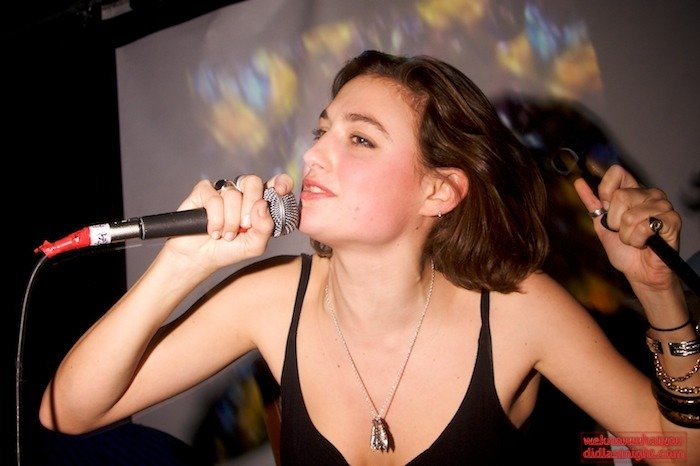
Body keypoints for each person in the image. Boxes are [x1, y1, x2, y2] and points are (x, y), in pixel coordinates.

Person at [39, 50, 699, 465]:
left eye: (359, 139)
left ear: (439, 190)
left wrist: (658, 293)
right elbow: (66, 414)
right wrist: (181, 266)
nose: (313, 154)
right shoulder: (270, 298)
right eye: (323, 130)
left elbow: (677, 452)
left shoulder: (518, 312)